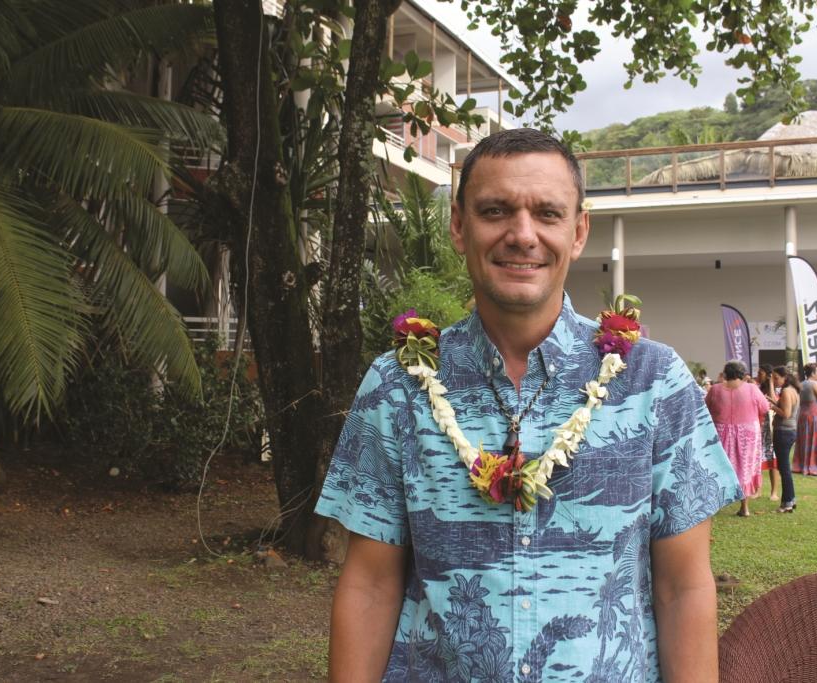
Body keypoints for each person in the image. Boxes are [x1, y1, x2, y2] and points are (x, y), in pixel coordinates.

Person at [316, 129, 743, 681]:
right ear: (458, 225)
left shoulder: (653, 381)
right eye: (495, 210)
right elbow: (371, 585)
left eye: (547, 213)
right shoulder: (397, 385)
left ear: (578, 231)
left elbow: (683, 587)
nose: (522, 235)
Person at [706, 360, 770, 516]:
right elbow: (765, 408)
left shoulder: (715, 389)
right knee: (744, 467)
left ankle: (715, 504)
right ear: (742, 373)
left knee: (719, 466)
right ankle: (744, 507)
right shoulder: (752, 389)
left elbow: (706, 407)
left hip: (721, 431)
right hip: (747, 433)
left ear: (726, 373)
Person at [766, 367, 799, 512]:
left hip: (784, 431)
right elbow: (785, 407)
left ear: (784, 377)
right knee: (784, 467)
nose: (774, 380)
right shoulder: (792, 390)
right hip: (789, 431)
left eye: (776, 378)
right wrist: (772, 401)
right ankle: (790, 498)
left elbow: (786, 413)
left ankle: (788, 501)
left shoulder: (786, 391)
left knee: (784, 468)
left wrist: (772, 406)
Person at [757, 365, 780, 501]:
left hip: (770, 427)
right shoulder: (758, 389)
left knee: (773, 457)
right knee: (758, 457)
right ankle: (758, 489)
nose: (758, 376)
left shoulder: (776, 388)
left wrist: (771, 383)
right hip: (760, 426)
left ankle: (774, 492)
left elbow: (773, 400)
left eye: (760, 373)